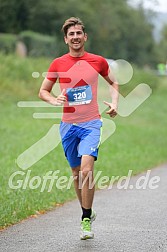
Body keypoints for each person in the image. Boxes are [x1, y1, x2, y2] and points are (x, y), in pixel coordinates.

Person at [39, 17, 119, 240]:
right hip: (68, 126)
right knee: (76, 174)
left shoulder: (98, 61)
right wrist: (53, 99)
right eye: (71, 34)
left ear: (85, 37)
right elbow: (43, 91)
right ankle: (88, 210)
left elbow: (114, 83)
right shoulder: (58, 63)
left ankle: (85, 219)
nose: (75, 37)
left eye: (78, 33)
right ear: (66, 39)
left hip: (91, 123)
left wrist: (115, 103)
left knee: (86, 170)